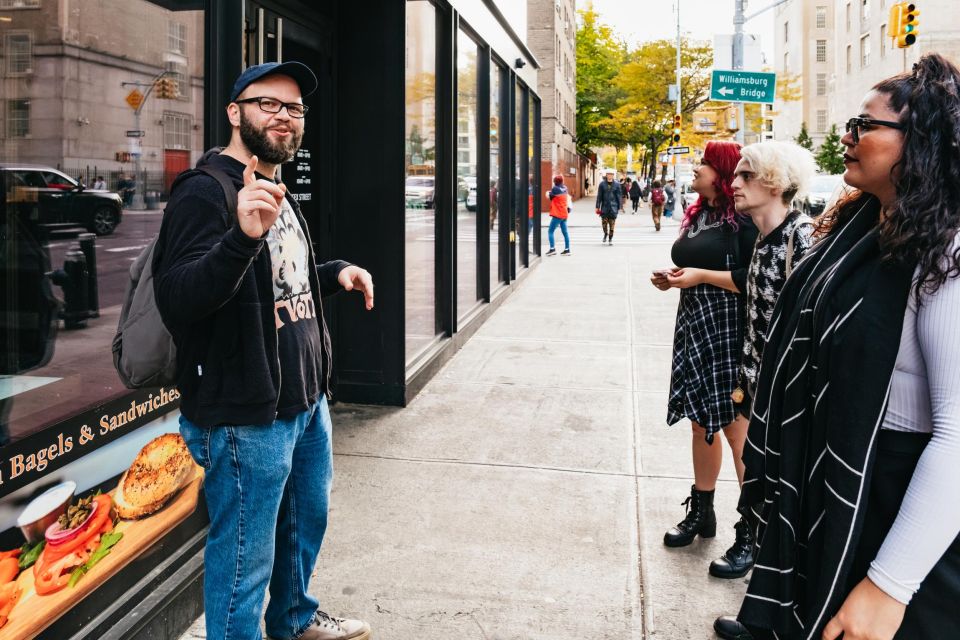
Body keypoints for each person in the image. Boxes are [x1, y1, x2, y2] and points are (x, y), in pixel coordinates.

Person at [723, 54, 960, 640]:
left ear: (922, 140)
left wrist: (889, 585)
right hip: (845, 478)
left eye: (865, 126)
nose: (847, 138)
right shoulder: (872, 229)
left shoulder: (946, 250)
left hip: (898, 502)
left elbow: (957, 433)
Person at [154, 61, 374, 640]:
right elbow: (178, 297)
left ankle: (294, 620)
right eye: (267, 103)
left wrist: (336, 272)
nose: (283, 115)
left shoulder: (277, 185)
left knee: (304, 526)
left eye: (294, 108)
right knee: (245, 558)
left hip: (302, 401)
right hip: (245, 415)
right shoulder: (205, 191)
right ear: (235, 112)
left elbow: (280, 279)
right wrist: (241, 239)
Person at [702, 141, 816, 607]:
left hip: (790, 396)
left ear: (773, 182)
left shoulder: (802, 238)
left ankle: (768, 576)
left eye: (745, 176)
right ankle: (756, 557)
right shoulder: (763, 238)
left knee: (782, 486)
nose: (734, 183)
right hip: (757, 386)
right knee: (759, 475)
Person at [649, 141, 758, 553]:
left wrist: (700, 277)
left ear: (724, 173)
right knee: (700, 423)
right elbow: (697, 265)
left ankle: (751, 529)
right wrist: (677, 276)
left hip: (729, 330)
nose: (696, 169)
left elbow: (756, 277)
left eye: (705, 164)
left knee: (736, 432)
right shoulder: (703, 213)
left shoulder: (744, 221)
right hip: (696, 325)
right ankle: (703, 509)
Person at [545, 174, 571, 256]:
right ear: (562, 181)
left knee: (550, 231)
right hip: (564, 214)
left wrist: (548, 192)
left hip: (557, 214)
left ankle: (552, 249)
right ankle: (567, 250)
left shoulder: (555, 188)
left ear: (555, 181)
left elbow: (550, 196)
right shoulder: (565, 188)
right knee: (565, 232)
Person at [595, 169, 621, 245]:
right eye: (608, 174)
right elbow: (599, 196)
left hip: (613, 207)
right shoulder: (602, 184)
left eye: (611, 174)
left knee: (612, 225)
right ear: (606, 175)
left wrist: (619, 207)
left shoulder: (617, 184)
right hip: (604, 208)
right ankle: (605, 233)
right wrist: (597, 206)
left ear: (613, 175)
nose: (610, 176)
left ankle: (610, 239)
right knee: (604, 224)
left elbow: (619, 196)